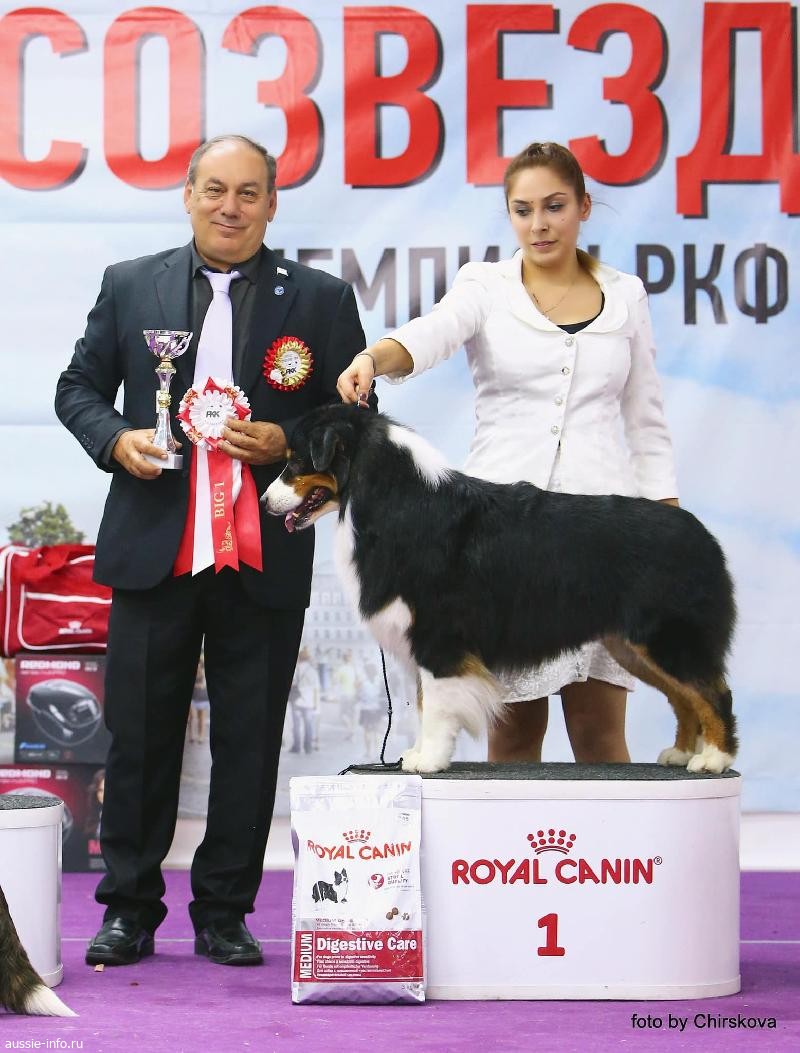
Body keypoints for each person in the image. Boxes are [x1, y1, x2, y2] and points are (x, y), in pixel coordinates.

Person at [55, 134, 369, 967]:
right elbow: (76, 388)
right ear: (188, 194)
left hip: (264, 552)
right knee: (138, 738)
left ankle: (225, 911)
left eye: (248, 192)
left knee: (250, 741)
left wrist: (288, 440)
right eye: (215, 189)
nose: (231, 207)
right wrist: (116, 438)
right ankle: (128, 909)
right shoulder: (130, 284)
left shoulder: (322, 299)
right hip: (154, 548)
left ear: (273, 204)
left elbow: (355, 420)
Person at [337, 141, 678, 767]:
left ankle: (615, 837)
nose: (539, 224)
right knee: (514, 733)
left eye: (555, 206)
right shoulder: (484, 285)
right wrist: (372, 358)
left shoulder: (626, 294)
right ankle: (514, 839)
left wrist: (665, 514)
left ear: (584, 207)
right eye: (523, 210)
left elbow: (646, 420)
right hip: (501, 538)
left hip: (602, 534)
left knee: (600, 732)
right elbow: (430, 334)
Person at [288, 647, 321, 754]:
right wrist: (316, 704)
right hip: (309, 702)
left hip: (296, 701)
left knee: (296, 725)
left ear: (299, 658)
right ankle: (308, 747)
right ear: (308, 659)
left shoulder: (296, 670)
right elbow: (316, 689)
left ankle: (296, 747)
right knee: (308, 725)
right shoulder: (313, 671)